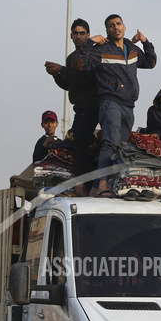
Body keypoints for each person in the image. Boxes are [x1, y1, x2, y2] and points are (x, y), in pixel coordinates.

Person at [78, 14, 157, 197]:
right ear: (107, 31)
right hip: (110, 102)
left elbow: (151, 63)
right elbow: (81, 65)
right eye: (111, 26)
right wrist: (89, 43)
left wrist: (145, 42)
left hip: (129, 105)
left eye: (118, 24)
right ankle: (103, 184)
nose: (116, 27)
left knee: (121, 146)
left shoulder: (131, 48)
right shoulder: (102, 48)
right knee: (110, 142)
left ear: (124, 26)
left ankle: (101, 186)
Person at [45, 18, 100, 195]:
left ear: (88, 35)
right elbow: (70, 84)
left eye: (82, 33)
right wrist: (56, 74)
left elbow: (85, 79)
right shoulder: (72, 58)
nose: (78, 36)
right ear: (71, 35)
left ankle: (83, 185)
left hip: (94, 106)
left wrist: (61, 69)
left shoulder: (92, 54)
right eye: (75, 33)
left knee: (82, 145)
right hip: (80, 108)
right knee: (78, 144)